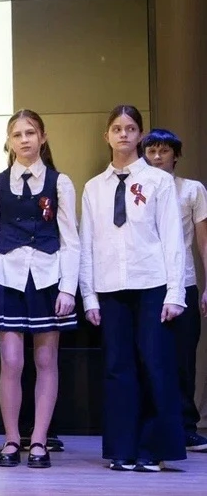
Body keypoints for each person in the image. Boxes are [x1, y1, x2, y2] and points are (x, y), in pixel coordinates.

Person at [80, 105, 186, 472]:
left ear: (140, 134)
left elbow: (172, 238)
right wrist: (89, 296)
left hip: (152, 284)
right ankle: (122, 449)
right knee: (117, 368)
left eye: (130, 128)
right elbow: (87, 244)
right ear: (106, 136)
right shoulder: (94, 188)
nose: (123, 134)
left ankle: (152, 449)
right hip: (110, 287)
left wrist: (175, 292)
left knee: (155, 363)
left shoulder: (158, 181)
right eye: (116, 128)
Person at [0, 110, 79, 469]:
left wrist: (68, 288)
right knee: (11, 362)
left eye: (30, 132)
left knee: (46, 361)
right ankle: (12, 439)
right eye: (17, 134)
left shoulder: (60, 182)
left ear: (42, 137)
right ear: (9, 141)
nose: (24, 139)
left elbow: (71, 240)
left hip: (48, 278)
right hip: (8, 277)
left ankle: (39, 441)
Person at [142, 128, 207, 452]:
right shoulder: (138, 190)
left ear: (176, 155)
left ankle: (186, 427)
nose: (157, 157)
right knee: (152, 359)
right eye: (151, 151)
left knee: (183, 359)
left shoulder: (191, 190)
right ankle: (154, 428)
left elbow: (203, 241)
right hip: (148, 284)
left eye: (164, 151)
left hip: (185, 283)